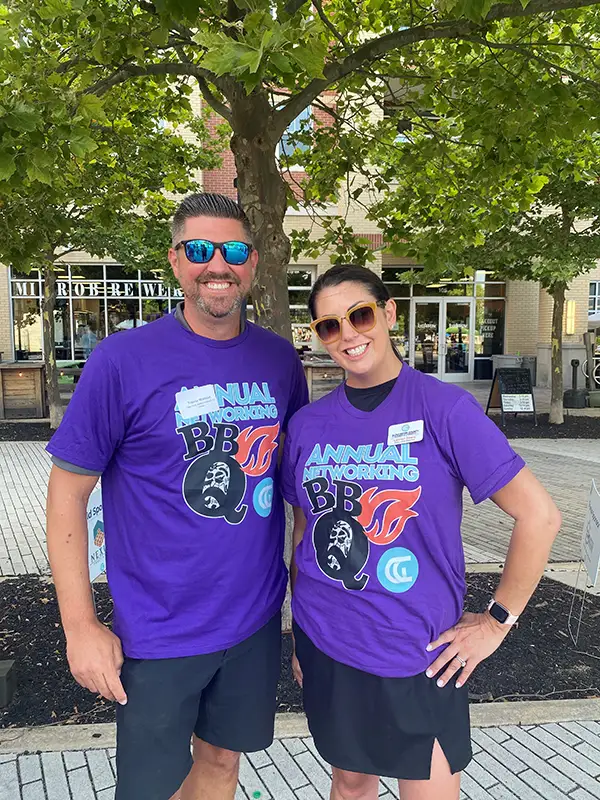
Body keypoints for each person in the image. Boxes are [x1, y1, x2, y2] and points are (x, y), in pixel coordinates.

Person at [45, 192, 308, 800]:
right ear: (174, 260)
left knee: (220, 765)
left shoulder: (277, 360)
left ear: (253, 261)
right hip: (157, 629)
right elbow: (67, 494)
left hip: (252, 620)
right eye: (199, 249)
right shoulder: (122, 361)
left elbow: (297, 489)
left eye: (233, 250)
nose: (217, 263)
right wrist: (80, 625)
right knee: (151, 786)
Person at [280, 264, 561, 800]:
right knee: (350, 782)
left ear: (388, 314)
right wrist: (299, 634)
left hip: (419, 651)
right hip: (328, 641)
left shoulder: (443, 407)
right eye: (329, 326)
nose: (349, 334)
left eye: (359, 315)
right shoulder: (308, 426)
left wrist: (498, 622)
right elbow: (303, 535)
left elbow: (541, 516)